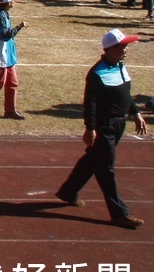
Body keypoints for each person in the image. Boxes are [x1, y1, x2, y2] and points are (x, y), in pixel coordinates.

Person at [54, 28, 147, 229]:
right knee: (106, 169)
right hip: (105, 126)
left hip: (119, 124)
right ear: (110, 49)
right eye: (123, 46)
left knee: (92, 160)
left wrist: (136, 113)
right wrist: (90, 128)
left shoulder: (121, 67)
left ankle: (68, 192)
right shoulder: (97, 73)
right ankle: (119, 213)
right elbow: (90, 103)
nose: (126, 50)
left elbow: (127, 94)